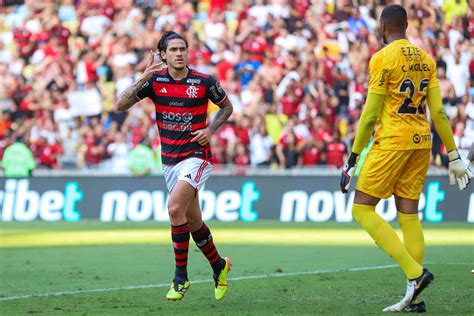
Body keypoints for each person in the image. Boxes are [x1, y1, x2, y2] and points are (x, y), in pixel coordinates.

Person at [339, 5, 472, 313]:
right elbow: (437, 112)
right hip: (421, 142)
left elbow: (370, 114)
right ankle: (414, 297)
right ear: (407, 25)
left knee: (361, 209)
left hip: (393, 142)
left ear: (384, 26)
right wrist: (453, 155)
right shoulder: (426, 58)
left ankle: (415, 274)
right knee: (409, 215)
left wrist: (352, 159)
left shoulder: (382, 58)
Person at [116, 31, 234, 301]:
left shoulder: (204, 81)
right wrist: (144, 76)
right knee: (193, 222)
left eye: (183, 49)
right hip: (170, 161)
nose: (179, 53)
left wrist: (211, 129)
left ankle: (180, 278)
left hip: (197, 156)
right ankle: (219, 265)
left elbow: (226, 107)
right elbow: (120, 104)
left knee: (174, 208)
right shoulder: (154, 82)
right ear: (163, 55)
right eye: (173, 50)